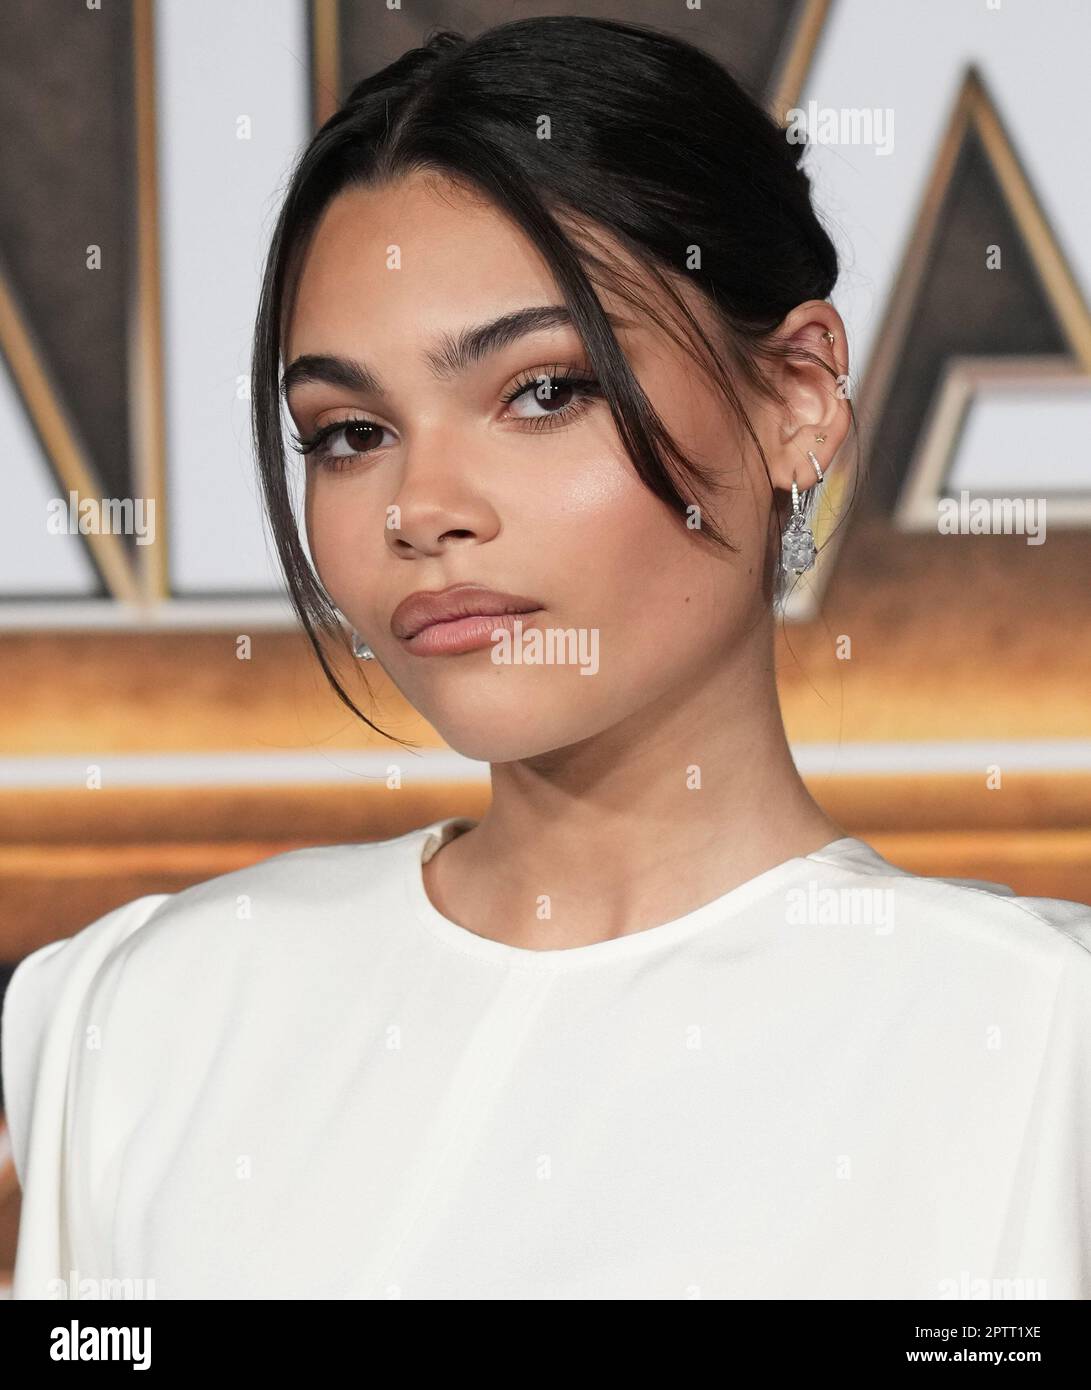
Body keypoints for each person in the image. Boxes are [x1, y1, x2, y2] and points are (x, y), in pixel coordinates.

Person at [4, 16, 1090, 1300]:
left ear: (797, 398)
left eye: (541, 391)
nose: (422, 507)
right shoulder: (145, 1014)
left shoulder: (1033, 1043)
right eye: (349, 432)